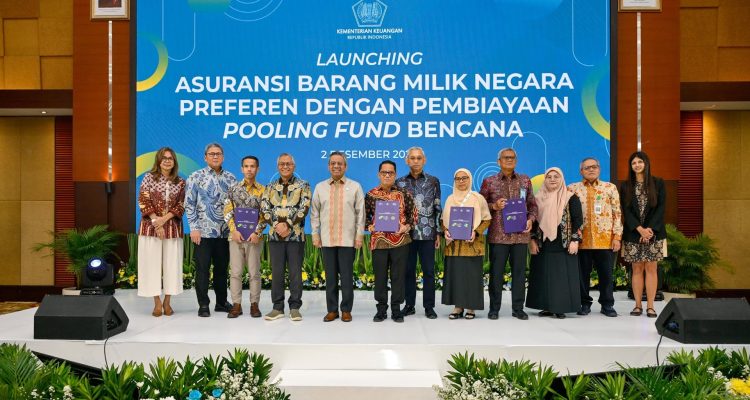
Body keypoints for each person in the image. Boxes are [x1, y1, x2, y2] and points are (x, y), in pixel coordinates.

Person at [480, 148, 537, 320]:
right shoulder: (489, 181)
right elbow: (480, 205)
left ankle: (518, 308)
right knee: (496, 274)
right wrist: (494, 206)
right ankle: (494, 309)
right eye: (505, 157)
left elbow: (532, 205)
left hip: (520, 235)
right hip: (499, 236)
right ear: (499, 161)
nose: (509, 160)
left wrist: (531, 219)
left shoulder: (525, 180)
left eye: (512, 157)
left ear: (516, 161)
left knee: (519, 273)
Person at [311, 152, 366, 323]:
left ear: (345, 166)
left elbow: (360, 213)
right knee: (331, 277)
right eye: (333, 163)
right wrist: (315, 234)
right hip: (327, 239)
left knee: (347, 277)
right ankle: (332, 310)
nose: (336, 166)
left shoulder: (355, 186)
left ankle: (346, 310)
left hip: (348, 240)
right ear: (328, 166)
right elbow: (314, 213)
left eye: (340, 163)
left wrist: (359, 236)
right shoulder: (320, 187)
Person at [257, 153, 311, 321]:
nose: (285, 166)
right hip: (275, 237)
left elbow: (304, 208)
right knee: (277, 273)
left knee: (295, 273)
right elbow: (264, 208)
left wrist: (287, 224)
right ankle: (277, 308)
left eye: (288, 164)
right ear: (278, 166)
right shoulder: (270, 187)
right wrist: (276, 225)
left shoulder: (303, 185)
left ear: (293, 166)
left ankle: (295, 307)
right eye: (282, 164)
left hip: (296, 237)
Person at [186, 143, 237, 317]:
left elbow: (235, 205)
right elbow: (189, 204)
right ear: (205, 157)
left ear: (223, 157)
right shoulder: (196, 176)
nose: (215, 156)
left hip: (224, 233)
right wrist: (194, 228)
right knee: (202, 270)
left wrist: (235, 229)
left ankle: (221, 302)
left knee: (222, 270)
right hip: (203, 233)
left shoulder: (231, 178)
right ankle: (203, 304)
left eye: (218, 153)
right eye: (211, 154)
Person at [568, 157, 623, 317]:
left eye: (594, 166)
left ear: (599, 169)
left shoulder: (610, 188)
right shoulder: (573, 188)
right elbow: (568, 215)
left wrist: (617, 236)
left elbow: (617, 213)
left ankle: (607, 304)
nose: (591, 169)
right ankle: (584, 303)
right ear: (581, 171)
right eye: (587, 167)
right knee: (582, 275)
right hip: (581, 240)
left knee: (606, 275)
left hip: (605, 239)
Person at [526, 168, 583, 319]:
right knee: (543, 275)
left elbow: (578, 220)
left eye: (556, 176)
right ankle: (546, 307)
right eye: (549, 177)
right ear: (544, 180)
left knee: (562, 275)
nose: (552, 179)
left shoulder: (570, 197)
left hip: (564, 243)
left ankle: (560, 307)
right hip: (543, 243)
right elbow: (533, 222)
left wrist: (575, 240)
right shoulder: (538, 199)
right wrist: (532, 240)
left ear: (562, 179)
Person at [365, 160, 417, 323]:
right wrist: (370, 226)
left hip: (401, 241)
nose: (387, 175)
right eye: (384, 172)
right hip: (379, 242)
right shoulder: (371, 194)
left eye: (391, 173)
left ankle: (396, 309)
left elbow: (413, 215)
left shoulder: (404, 194)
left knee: (398, 277)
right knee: (380, 277)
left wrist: (406, 227)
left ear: (395, 175)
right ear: (379, 174)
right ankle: (381, 310)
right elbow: (364, 217)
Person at [137, 147, 185, 317]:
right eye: (164, 158)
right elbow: (143, 200)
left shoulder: (180, 182)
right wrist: (156, 223)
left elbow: (180, 205)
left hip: (172, 229)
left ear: (174, 161)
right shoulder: (148, 178)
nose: (167, 161)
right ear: (158, 160)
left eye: (170, 158)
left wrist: (163, 220)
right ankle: (157, 302)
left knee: (172, 265)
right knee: (151, 265)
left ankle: (167, 301)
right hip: (150, 229)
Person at [396, 147, 442, 319]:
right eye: (412, 158)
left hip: (428, 234)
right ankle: (409, 305)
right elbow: (397, 210)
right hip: (406, 235)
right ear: (407, 160)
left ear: (424, 160)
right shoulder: (399, 183)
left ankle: (429, 307)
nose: (415, 161)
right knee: (408, 271)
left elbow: (437, 207)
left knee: (429, 271)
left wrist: (438, 232)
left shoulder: (433, 181)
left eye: (419, 158)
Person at [620, 151, 666, 318]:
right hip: (633, 233)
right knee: (637, 268)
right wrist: (639, 229)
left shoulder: (658, 183)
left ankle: (651, 307)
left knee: (651, 268)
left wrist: (649, 230)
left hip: (654, 233)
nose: (637, 165)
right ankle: (638, 305)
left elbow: (661, 208)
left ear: (646, 164)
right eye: (633, 163)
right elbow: (626, 210)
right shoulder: (625, 186)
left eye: (640, 162)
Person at [441, 168, 491, 320]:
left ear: (470, 179)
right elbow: (443, 220)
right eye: (458, 179)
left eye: (464, 178)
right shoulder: (450, 199)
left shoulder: (478, 198)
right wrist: (445, 231)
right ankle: (458, 307)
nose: (461, 181)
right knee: (456, 276)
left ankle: (471, 307)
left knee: (471, 276)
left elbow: (487, 219)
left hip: (472, 245)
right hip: (454, 246)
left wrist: (476, 232)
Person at [223, 156, 265, 318]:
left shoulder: (263, 190)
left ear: (257, 169)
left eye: (252, 166)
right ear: (242, 169)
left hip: (254, 238)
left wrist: (257, 232)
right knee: (235, 272)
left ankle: (254, 304)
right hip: (235, 237)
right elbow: (227, 211)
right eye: (246, 166)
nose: (249, 169)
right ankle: (236, 304)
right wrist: (234, 230)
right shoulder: (233, 189)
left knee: (254, 273)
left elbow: (265, 214)